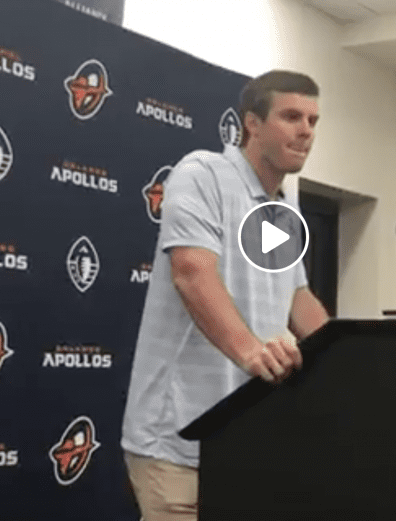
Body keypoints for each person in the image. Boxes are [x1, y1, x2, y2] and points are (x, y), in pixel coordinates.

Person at [121, 70, 331, 521]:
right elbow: (192, 274)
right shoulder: (203, 174)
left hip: (245, 437)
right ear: (252, 123)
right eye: (291, 117)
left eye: (313, 120)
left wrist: (348, 362)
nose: (306, 131)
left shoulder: (283, 207)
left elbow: (297, 298)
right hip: (178, 440)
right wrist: (252, 352)